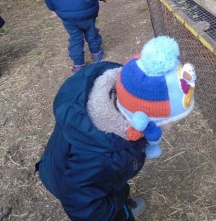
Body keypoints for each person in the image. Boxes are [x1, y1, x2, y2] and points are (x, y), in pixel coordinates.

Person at [36, 36, 196, 220]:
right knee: (107, 203)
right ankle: (120, 211)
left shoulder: (123, 95)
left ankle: (119, 200)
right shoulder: (103, 157)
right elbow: (82, 204)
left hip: (96, 175)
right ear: (143, 119)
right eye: (171, 120)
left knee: (114, 181)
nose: (173, 125)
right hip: (71, 186)